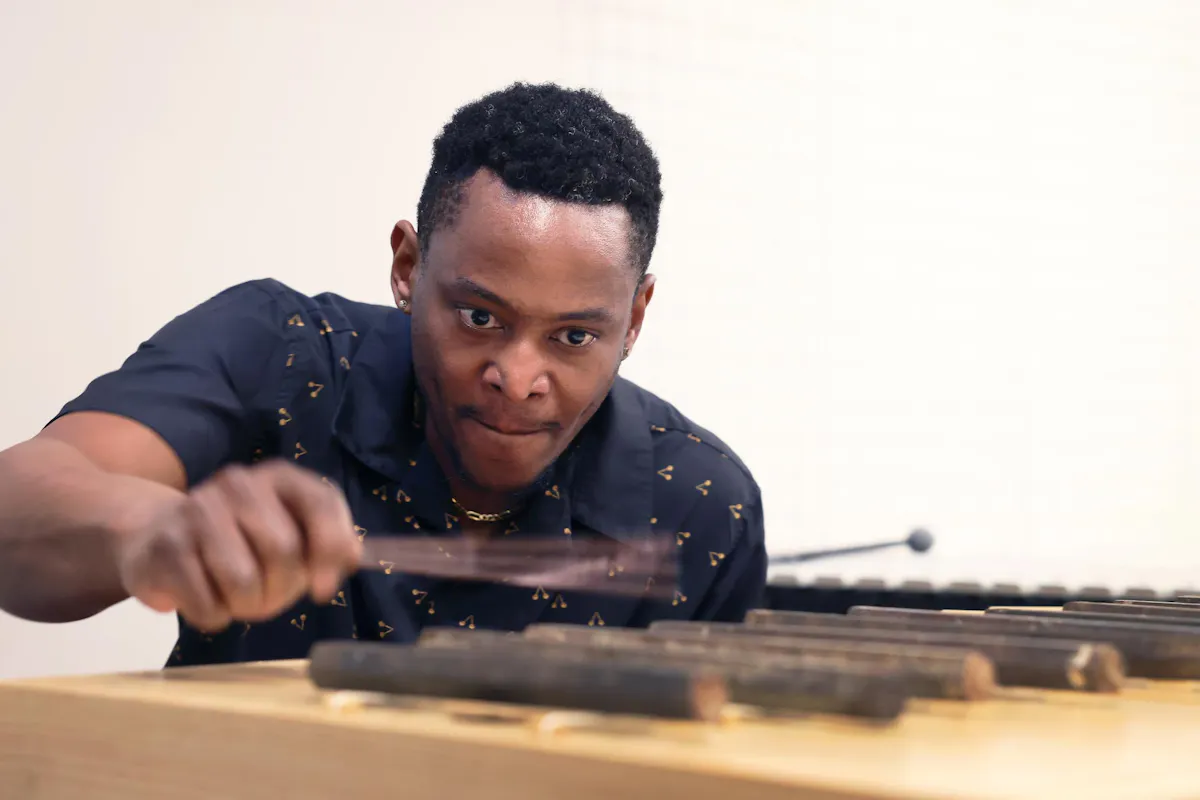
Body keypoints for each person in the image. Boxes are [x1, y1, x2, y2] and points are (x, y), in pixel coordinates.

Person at [0, 82, 767, 667]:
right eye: (479, 317)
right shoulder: (281, 354)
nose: (518, 376)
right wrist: (151, 528)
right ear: (408, 267)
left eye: (573, 335)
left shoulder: (703, 507)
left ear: (633, 320)